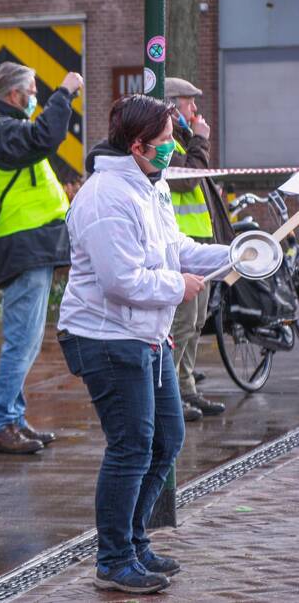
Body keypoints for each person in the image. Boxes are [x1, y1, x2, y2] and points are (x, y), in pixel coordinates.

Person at [58, 94, 229, 594]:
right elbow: (120, 280)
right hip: (108, 339)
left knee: (166, 440)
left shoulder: (148, 185)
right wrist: (180, 287)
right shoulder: (106, 197)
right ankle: (113, 559)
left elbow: (175, 247)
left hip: (145, 336)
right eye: (164, 142)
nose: (173, 149)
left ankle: (132, 543)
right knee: (132, 447)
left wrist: (236, 250)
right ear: (136, 146)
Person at [0, 61, 83, 454]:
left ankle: (14, 419)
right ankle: (2, 424)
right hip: (22, 248)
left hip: (31, 247)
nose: (36, 97)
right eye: (33, 90)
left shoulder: (6, 131)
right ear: (15, 95)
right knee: (20, 341)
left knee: (29, 341)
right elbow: (45, 136)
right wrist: (64, 94)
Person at [164, 77, 231, 421]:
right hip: (182, 242)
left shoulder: (185, 140)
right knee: (183, 320)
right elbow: (186, 179)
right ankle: (172, 394)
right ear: (173, 106)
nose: (195, 110)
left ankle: (187, 388)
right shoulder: (165, 141)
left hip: (200, 239)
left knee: (196, 321)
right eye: (189, 103)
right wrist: (201, 140)